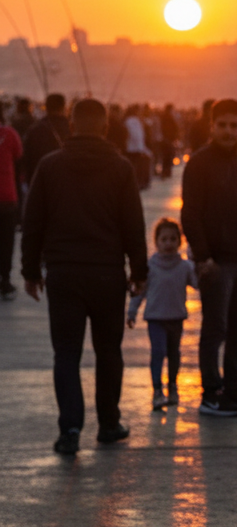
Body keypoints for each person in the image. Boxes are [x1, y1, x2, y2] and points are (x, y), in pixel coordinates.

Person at [20, 97, 148, 454]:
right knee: (108, 351)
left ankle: (71, 428)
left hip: (63, 273)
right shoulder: (121, 168)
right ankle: (108, 423)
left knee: (66, 353)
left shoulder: (50, 166)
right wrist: (139, 271)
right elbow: (133, 226)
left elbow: (33, 223)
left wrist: (30, 271)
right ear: (106, 127)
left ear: (72, 125)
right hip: (107, 273)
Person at [181, 98, 237, 417]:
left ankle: (234, 388)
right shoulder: (199, 163)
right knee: (214, 330)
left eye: (235, 126)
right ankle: (211, 393)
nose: (229, 132)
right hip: (216, 262)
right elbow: (190, 214)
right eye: (223, 125)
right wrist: (203, 257)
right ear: (212, 126)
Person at [127, 217, 197, 409]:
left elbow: (197, 283)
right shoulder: (150, 267)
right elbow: (140, 292)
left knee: (174, 353)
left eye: (173, 239)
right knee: (158, 352)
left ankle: (173, 385)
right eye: (164, 239)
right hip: (155, 318)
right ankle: (157, 390)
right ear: (156, 242)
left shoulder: (185, 266)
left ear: (179, 241)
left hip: (176, 318)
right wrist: (131, 312)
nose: (168, 244)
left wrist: (198, 264)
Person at [0, 104, 24, 300]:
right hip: (7, 196)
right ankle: (5, 280)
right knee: (7, 241)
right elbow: (19, 156)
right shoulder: (9, 134)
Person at [22, 93, 69, 186]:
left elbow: (27, 159)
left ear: (46, 107)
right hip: (66, 182)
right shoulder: (71, 128)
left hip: (41, 181)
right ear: (63, 107)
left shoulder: (34, 129)